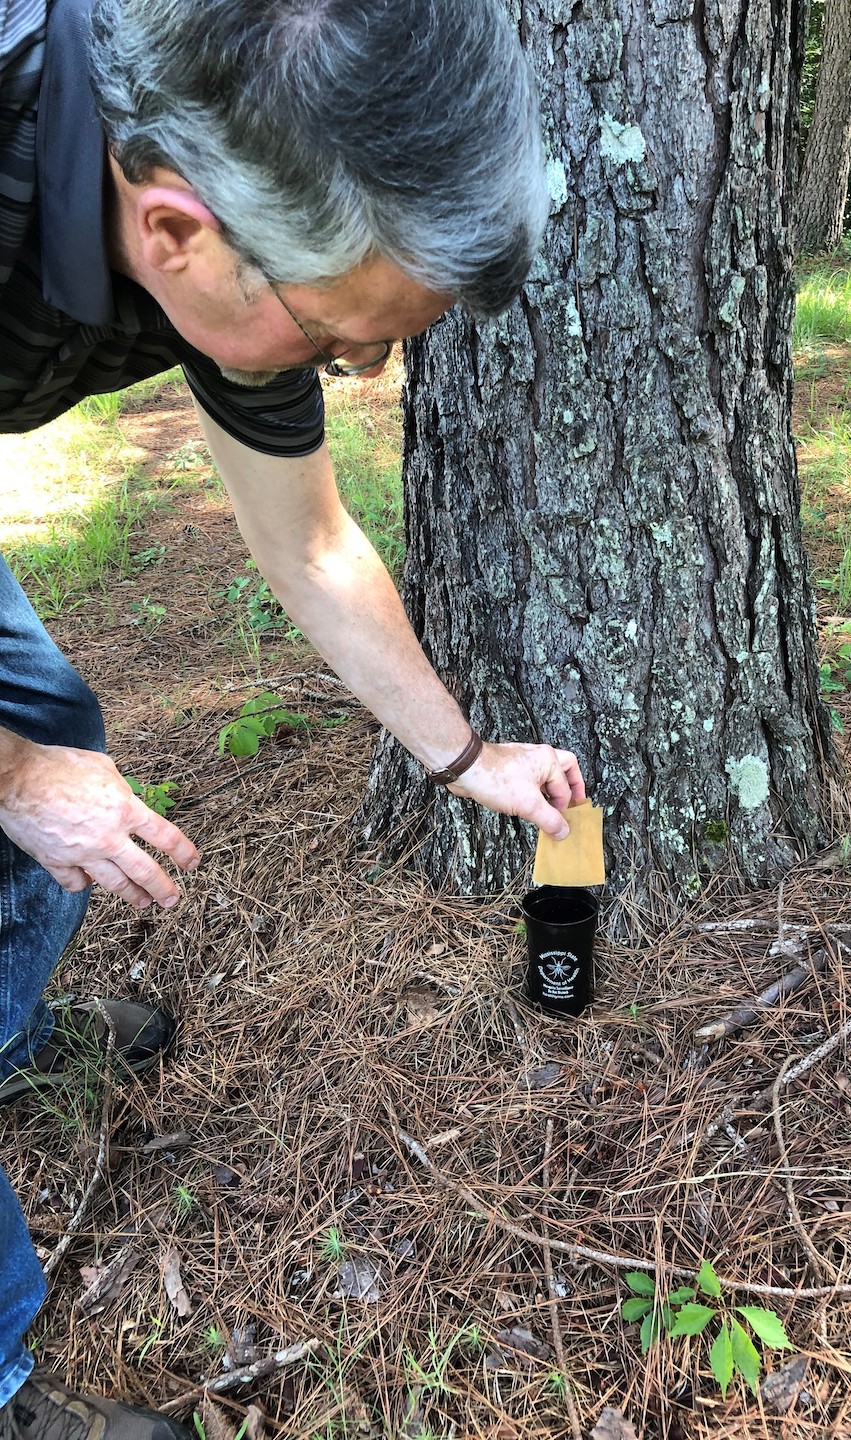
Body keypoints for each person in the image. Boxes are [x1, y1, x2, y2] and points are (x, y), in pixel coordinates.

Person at [0, 0, 585, 1435]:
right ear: (176, 233)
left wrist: (458, 754)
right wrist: (10, 773)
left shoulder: (228, 139)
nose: (357, 377)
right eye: (334, 338)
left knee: (49, 718)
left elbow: (313, 543)